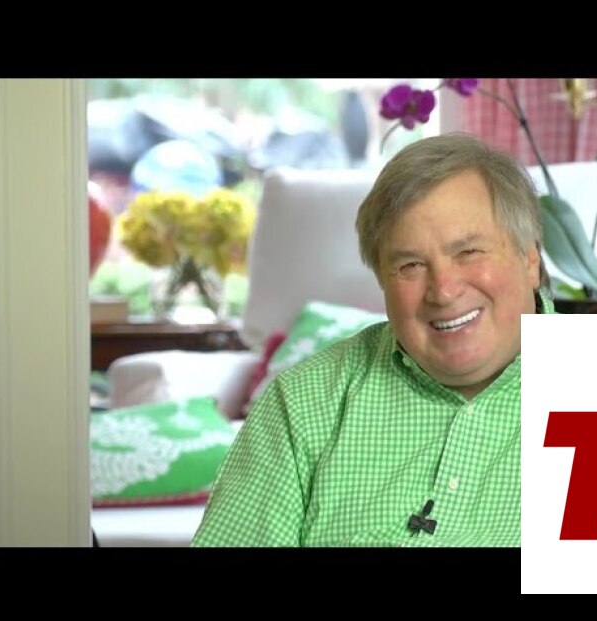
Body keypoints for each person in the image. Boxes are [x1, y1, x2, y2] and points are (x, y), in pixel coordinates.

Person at [191, 133, 555, 547]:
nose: (443, 290)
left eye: (468, 252)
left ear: (530, 259)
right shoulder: (303, 403)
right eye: (410, 265)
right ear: (382, 280)